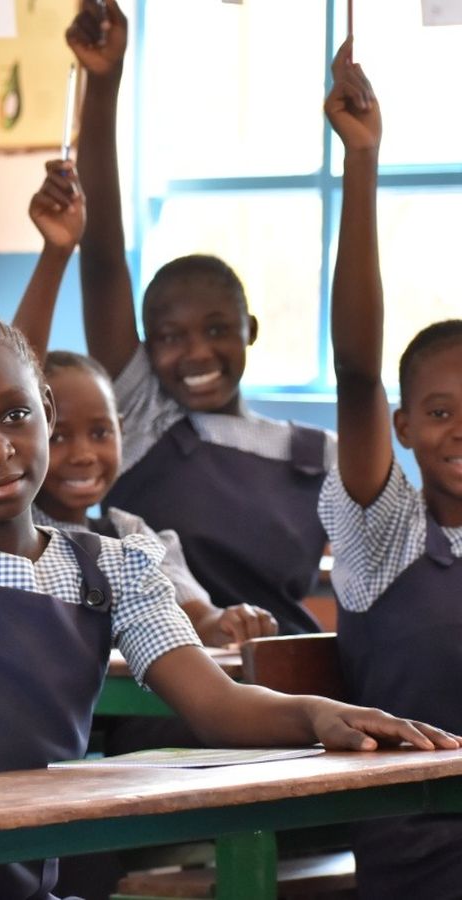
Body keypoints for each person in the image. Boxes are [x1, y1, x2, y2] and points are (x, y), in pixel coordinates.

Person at [0, 32, 457, 900]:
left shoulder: (114, 569)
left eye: (15, 416)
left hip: (25, 884)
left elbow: (216, 704)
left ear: (46, 411)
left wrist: (317, 714)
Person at [67, 0, 334, 635]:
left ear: (251, 332)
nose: (196, 353)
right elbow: (101, 259)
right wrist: (103, 83)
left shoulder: (319, 454)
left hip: (284, 672)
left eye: (217, 330)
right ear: (143, 348)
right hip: (161, 673)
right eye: (169, 337)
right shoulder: (140, 419)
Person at [12, 160, 277, 648]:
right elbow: (13, 382)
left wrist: (226, 623)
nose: (83, 454)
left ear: (121, 429)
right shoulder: (8, 525)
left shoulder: (132, 536)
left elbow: (193, 614)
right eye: (58, 436)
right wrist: (56, 254)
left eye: (100, 433)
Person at [321, 40, 462, 899]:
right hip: (421, 853)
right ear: (403, 426)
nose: (461, 431)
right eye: (440, 412)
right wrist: (363, 163)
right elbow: (355, 369)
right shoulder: (387, 536)